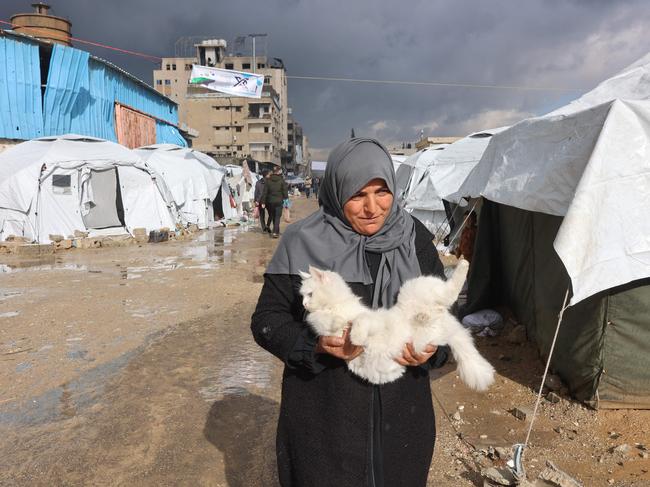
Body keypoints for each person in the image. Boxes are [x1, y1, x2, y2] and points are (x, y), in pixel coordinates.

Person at [251, 138, 449, 487]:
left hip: (403, 419)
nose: (373, 207)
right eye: (358, 195)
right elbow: (267, 319)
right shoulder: (301, 242)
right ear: (337, 191)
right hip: (324, 419)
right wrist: (314, 344)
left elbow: (445, 315)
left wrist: (433, 349)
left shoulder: (414, 238)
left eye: (382, 192)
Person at [260, 166, 288, 238]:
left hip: (270, 202)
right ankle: (275, 232)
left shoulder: (268, 180)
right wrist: (287, 203)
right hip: (279, 202)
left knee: (273, 216)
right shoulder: (282, 180)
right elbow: (285, 192)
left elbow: (264, 192)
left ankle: (276, 230)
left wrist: (263, 202)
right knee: (277, 217)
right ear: (278, 172)